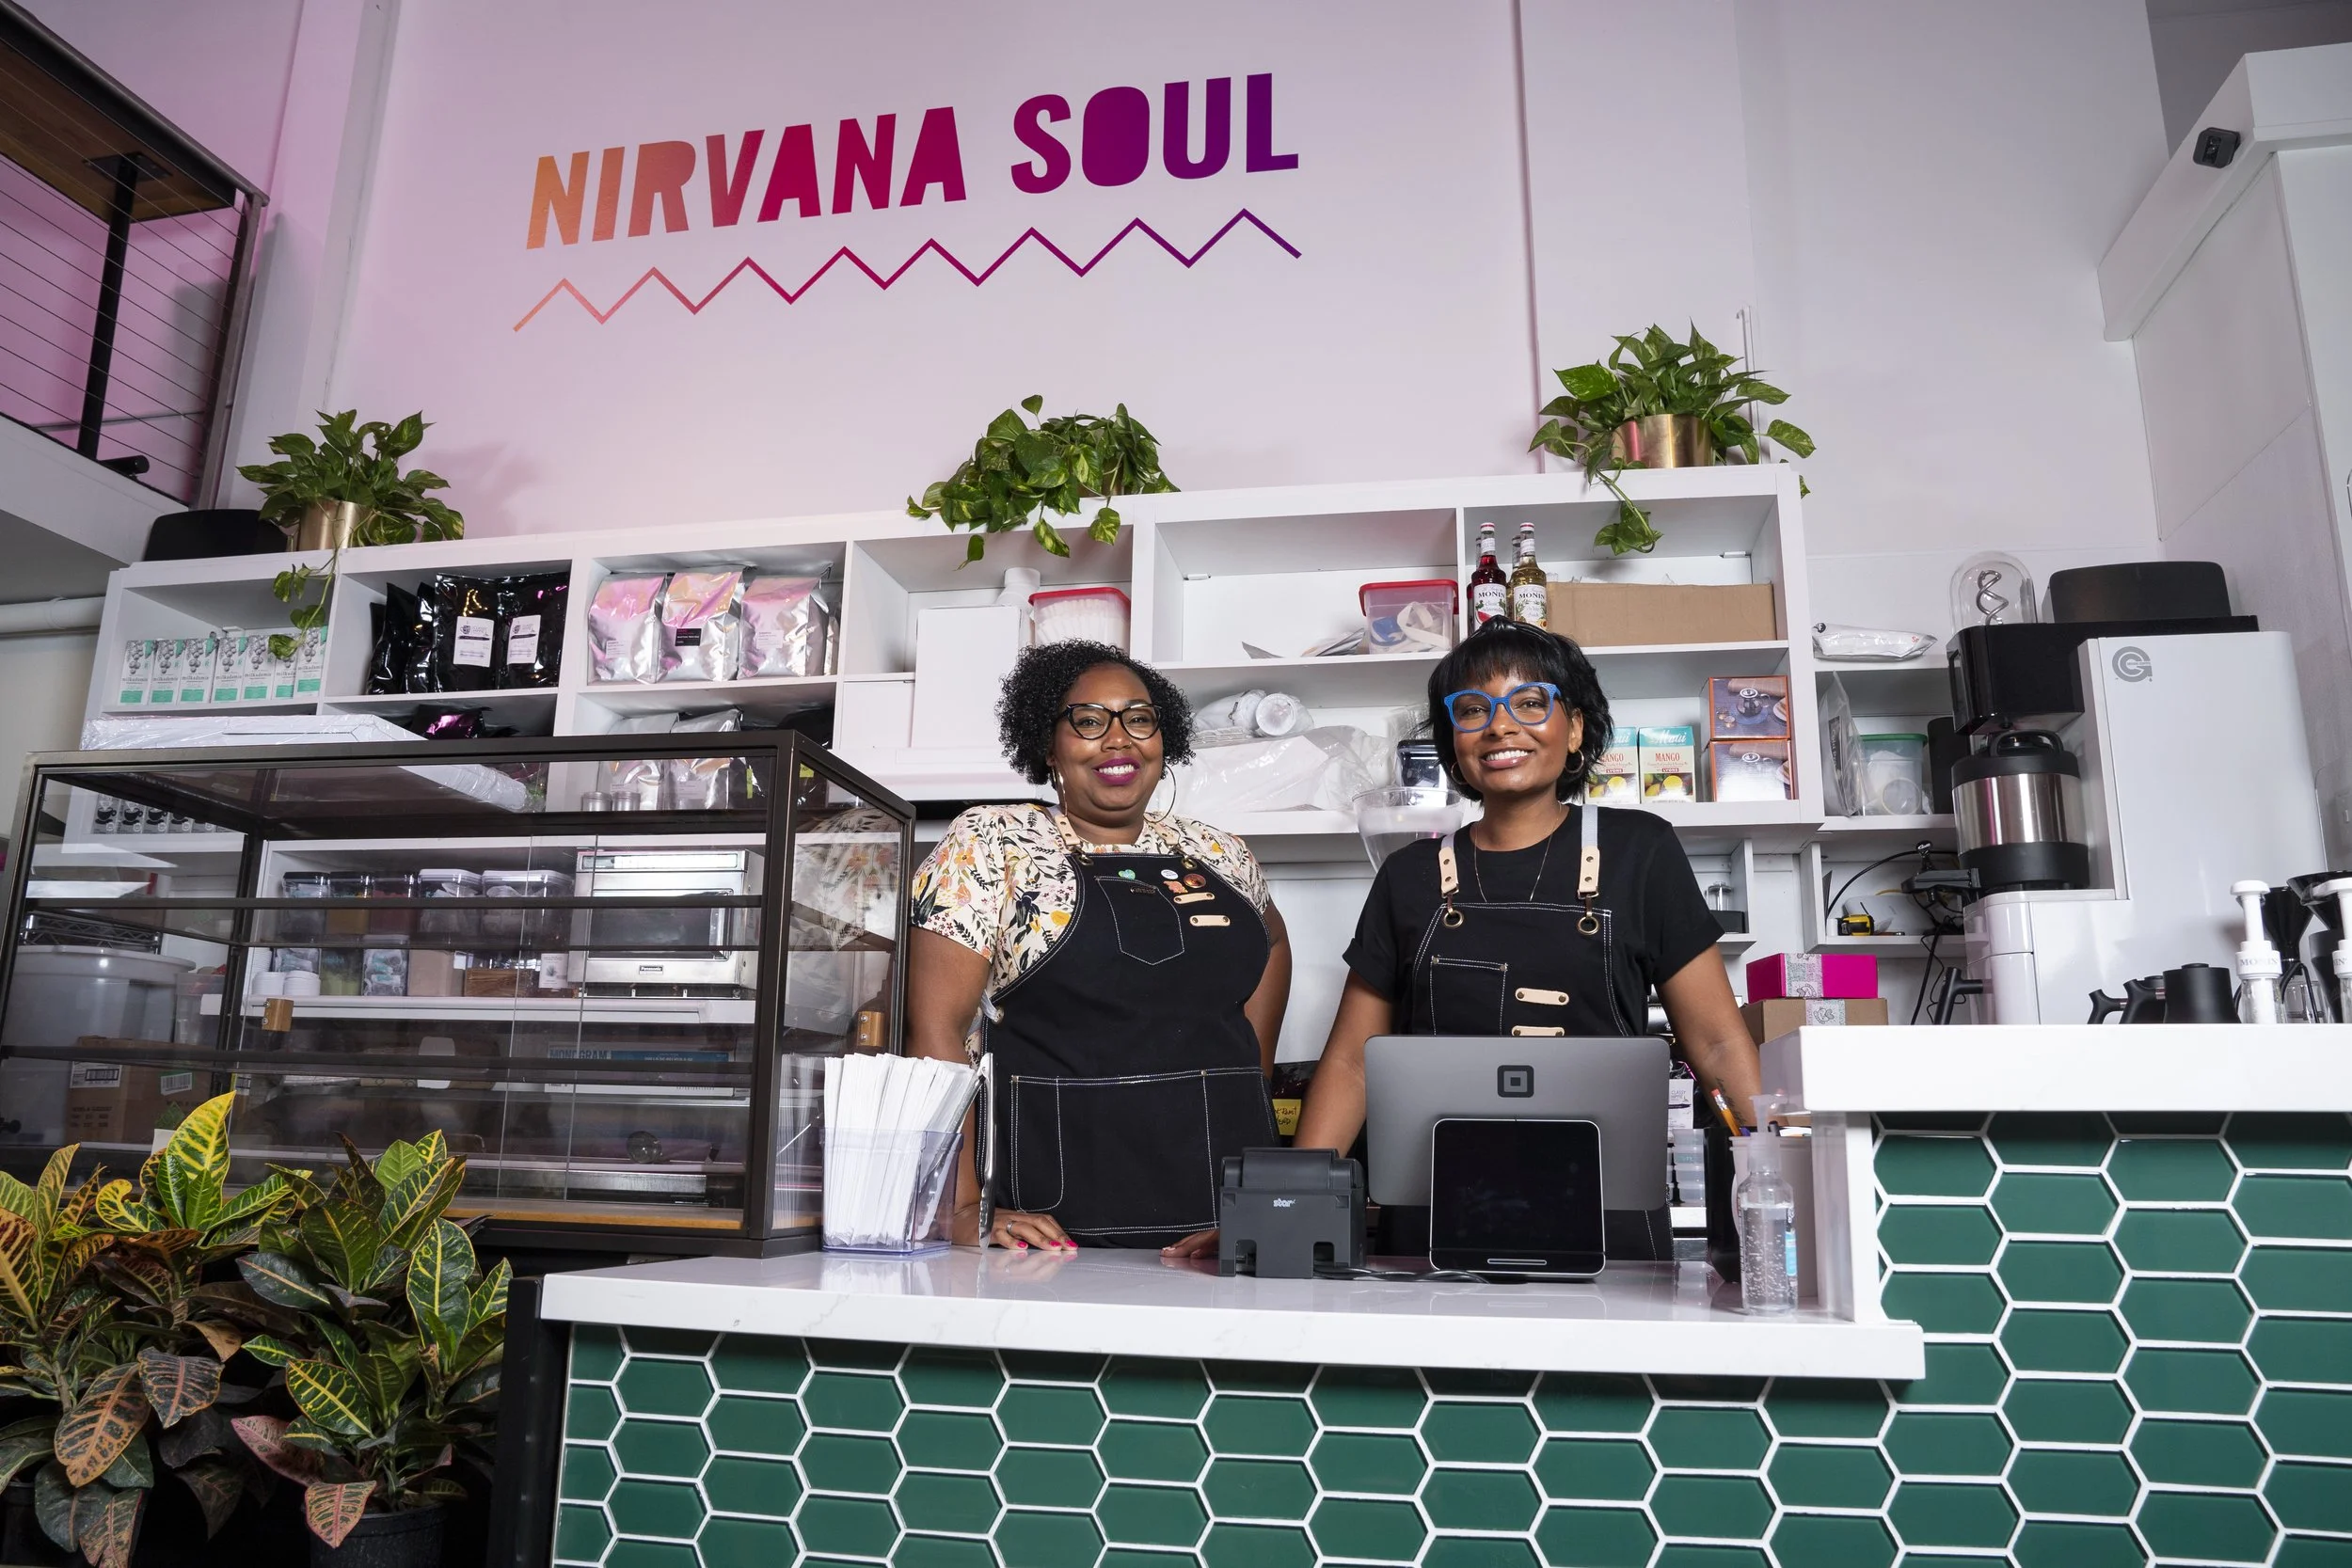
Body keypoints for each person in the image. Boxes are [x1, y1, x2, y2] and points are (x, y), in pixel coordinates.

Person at [1293, 618, 1761, 1257]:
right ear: (1453, 742)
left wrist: (1777, 1172)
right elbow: (1353, 1063)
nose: (1500, 726)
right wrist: (1288, 1199)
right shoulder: (1408, 876)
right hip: (1433, 1223)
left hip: (1606, 1220)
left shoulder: (1641, 851)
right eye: (1473, 709)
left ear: (1576, 729)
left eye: (1530, 702)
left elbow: (1717, 1041)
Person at [907, 640, 1292, 1256]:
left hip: (1225, 1218)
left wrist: (1251, 1076)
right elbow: (936, 1031)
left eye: (1139, 719)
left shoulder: (1220, 851)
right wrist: (960, 1205)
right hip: (1058, 1227)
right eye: (1089, 721)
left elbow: (1272, 939)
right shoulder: (992, 843)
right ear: (1047, 744)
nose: (1119, 739)